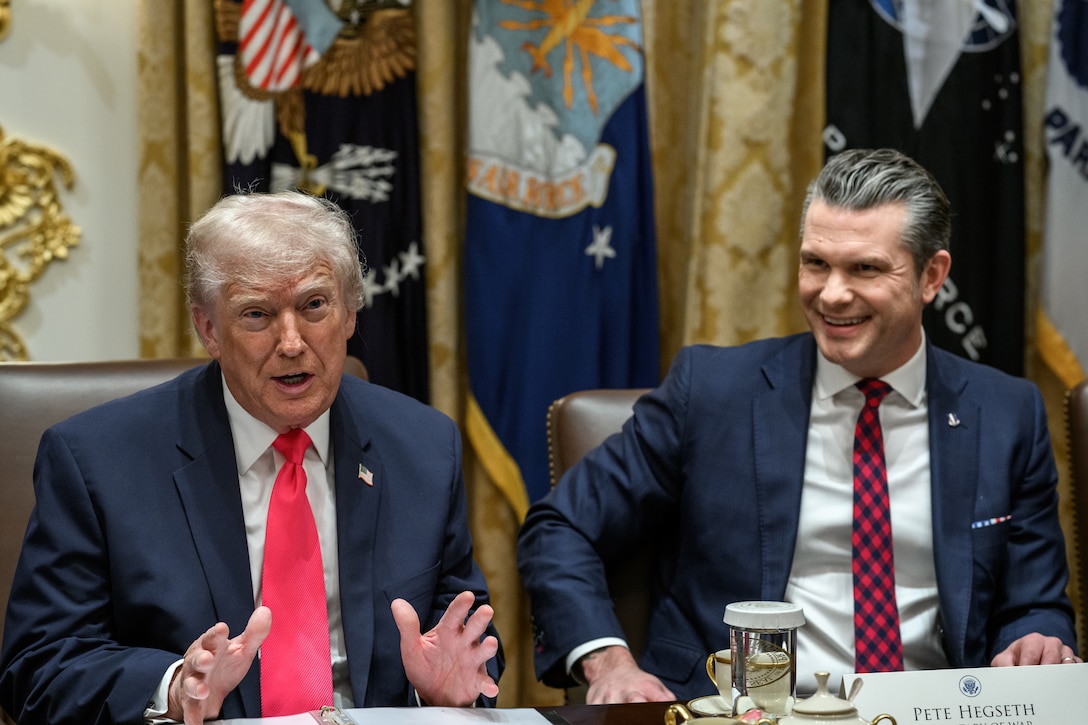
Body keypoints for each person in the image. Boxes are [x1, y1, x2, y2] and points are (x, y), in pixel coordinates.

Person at [516, 148, 1080, 705]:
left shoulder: (1005, 414)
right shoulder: (711, 392)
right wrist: (608, 661)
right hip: (741, 715)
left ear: (931, 276)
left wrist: (1033, 642)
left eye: (865, 268)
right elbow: (560, 525)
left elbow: (1033, 602)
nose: (832, 294)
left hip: (934, 710)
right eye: (816, 263)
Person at [0, 191, 502, 725]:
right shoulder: (96, 461)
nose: (291, 342)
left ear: (350, 313)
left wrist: (446, 693)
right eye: (257, 314)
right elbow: (38, 665)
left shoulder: (424, 447)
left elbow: (465, 639)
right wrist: (172, 688)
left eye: (314, 305)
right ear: (209, 329)